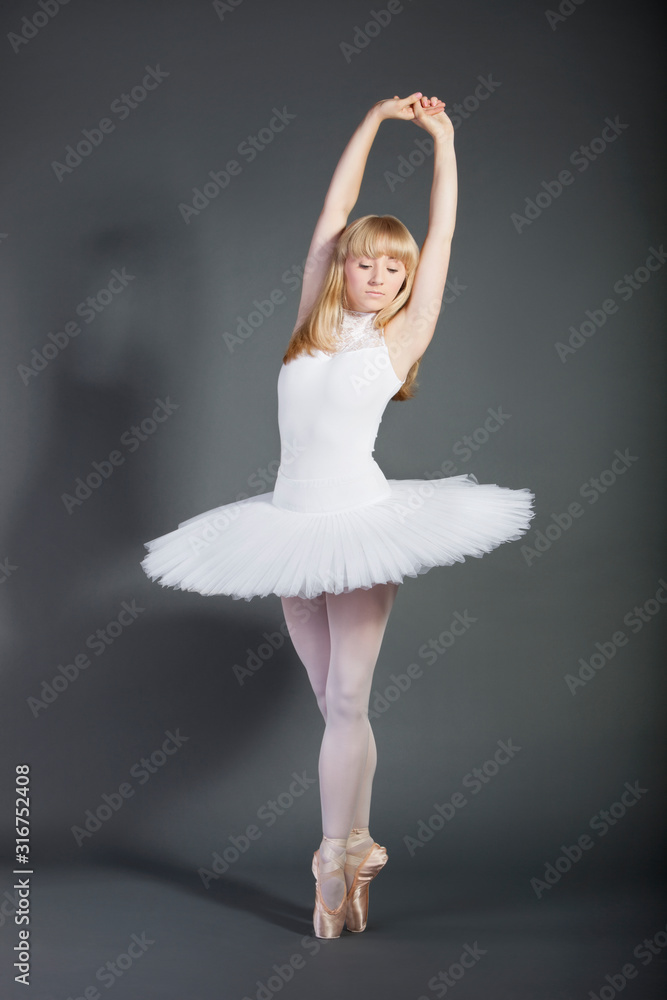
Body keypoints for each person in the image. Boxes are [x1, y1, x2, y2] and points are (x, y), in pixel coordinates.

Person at [141, 92, 535, 939]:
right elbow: (330, 212)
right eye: (369, 264)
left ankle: (329, 856)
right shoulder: (305, 329)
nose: (383, 277)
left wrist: (444, 145)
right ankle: (356, 845)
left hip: (360, 526)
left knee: (348, 699)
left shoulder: (399, 341)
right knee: (331, 701)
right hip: (286, 527)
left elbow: (444, 240)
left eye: (396, 270)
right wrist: (372, 120)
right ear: (343, 267)